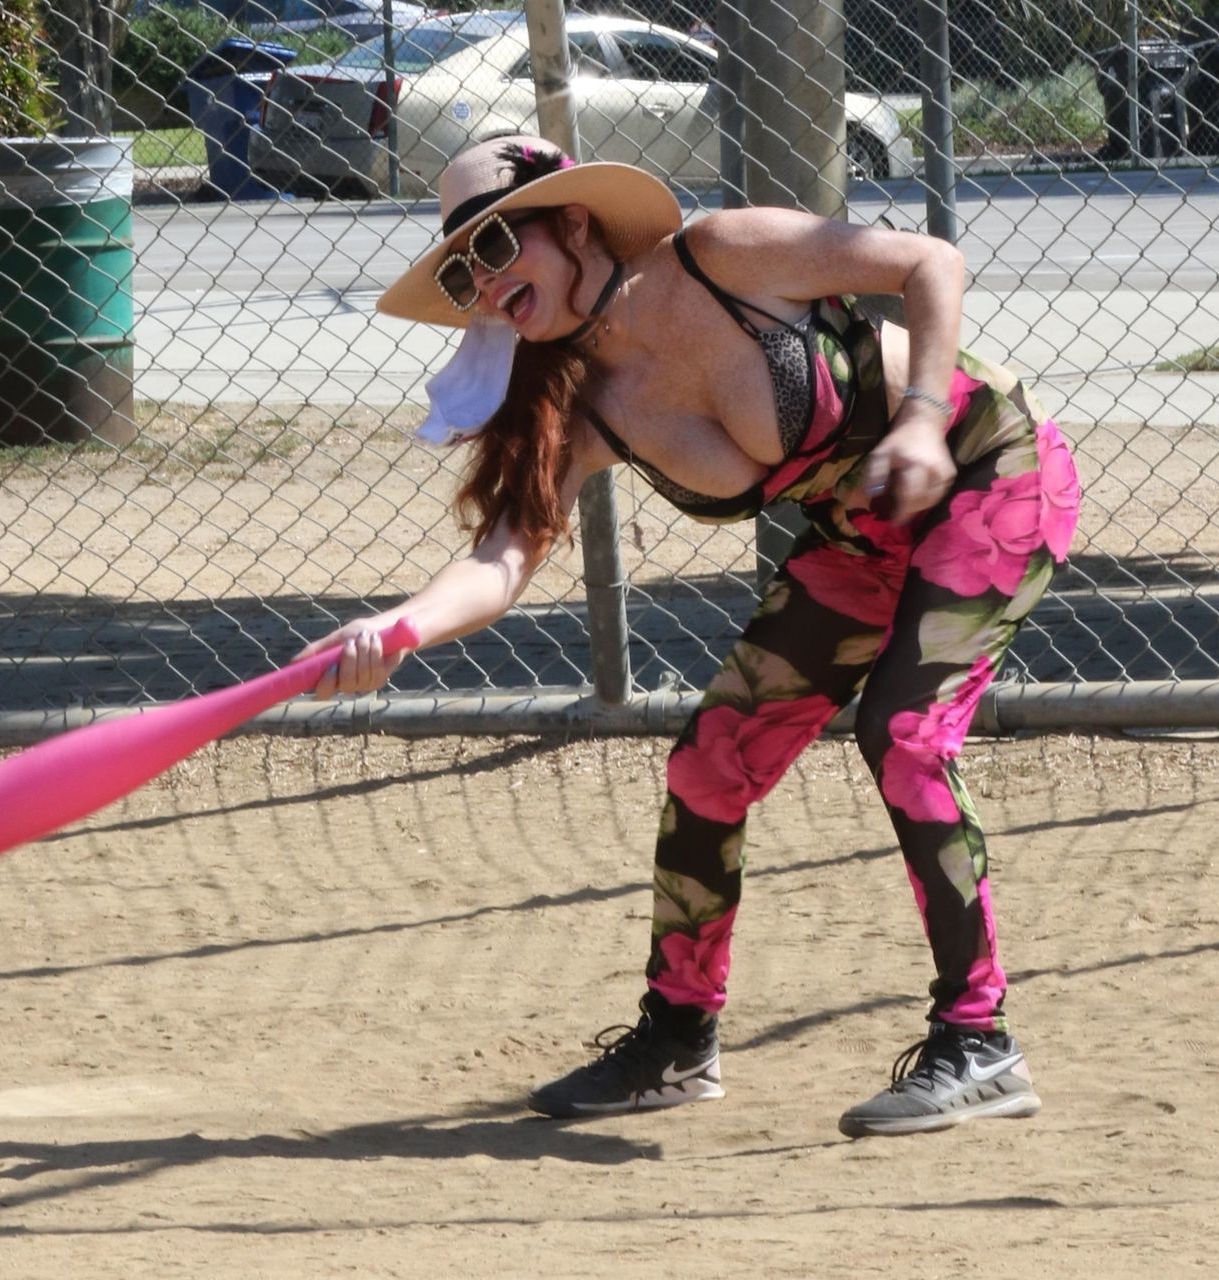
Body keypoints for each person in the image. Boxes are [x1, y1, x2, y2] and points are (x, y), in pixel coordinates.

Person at [298, 137, 1080, 1137]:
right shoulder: (581, 398)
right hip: (863, 534)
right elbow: (503, 557)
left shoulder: (723, 254)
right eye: (462, 273)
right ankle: (677, 1039)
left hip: (987, 467)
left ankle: (979, 1039)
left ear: (572, 222)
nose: (485, 282)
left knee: (906, 733)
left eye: (494, 244)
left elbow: (932, 261)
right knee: (711, 766)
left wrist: (922, 418)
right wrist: (398, 627)